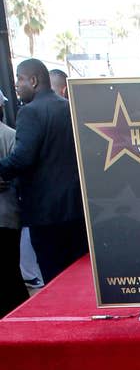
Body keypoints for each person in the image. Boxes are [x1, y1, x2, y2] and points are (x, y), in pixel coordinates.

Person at [0, 58, 87, 285]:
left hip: (46, 215)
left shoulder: (29, 112)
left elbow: (22, 158)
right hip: (77, 210)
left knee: (55, 280)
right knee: (78, 277)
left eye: (19, 78)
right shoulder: (70, 107)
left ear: (34, 80)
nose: (16, 85)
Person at [0, 93, 28, 315]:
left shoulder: (10, 135)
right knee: (10, 271)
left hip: (6, 215)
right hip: (8, 216)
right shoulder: (11, 135)